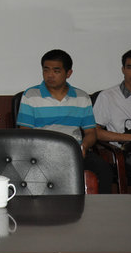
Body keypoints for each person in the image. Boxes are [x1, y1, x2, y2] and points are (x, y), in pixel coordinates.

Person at [17, 49, 113, 194]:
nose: (50, 75)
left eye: (56, 71)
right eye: (46, 70)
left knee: (104, 170)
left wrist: (84, 147)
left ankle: (100, 207)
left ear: (68, 73)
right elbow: (24, 132)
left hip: (74, 151)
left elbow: (90, 132)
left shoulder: (81, 97)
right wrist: (40, 151)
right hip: (41, 152)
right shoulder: (31, 95)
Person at [94, 48, 131, 174]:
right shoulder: (108, 96)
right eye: (130, 67)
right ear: (123, 69)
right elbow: (94, 132)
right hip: (124, 152)